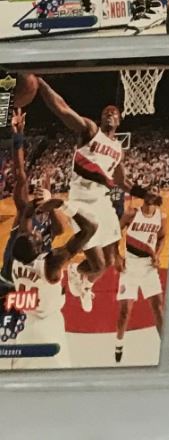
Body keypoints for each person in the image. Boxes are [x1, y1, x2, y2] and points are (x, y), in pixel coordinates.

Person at [2, 106, 96, 368]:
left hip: (24, 282)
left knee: (18, 343)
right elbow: (21, 175)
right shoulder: (25, 220)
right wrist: (18, 138)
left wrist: (50, 201)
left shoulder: (33, 229)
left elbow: (61, 230)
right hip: (13, 280)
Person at [33, 77, 128, 309]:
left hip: (102, 202)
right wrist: (41, 83)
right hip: (82, 202)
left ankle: (83, 279)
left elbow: (122, 181)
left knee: (109, 261)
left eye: (114, 112)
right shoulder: (90, 130)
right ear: (101, 118)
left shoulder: (118, 150)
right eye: (106, 112)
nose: (109, 114)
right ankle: (76, 271)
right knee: (98, 264)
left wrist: (141, 193)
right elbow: (62, 108)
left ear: (119, 120)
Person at [114, 188, 166, 363]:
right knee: (124, 311)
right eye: (149, 191)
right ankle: (119, 344)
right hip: (130, 266)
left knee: (158, 308)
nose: (152, 194)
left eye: (155, 191)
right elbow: (115, 233)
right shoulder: (131, 213)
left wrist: (157, 255)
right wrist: (117, 255)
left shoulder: (161, 216)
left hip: (148, 267)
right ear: (144, 195)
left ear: (158, 195)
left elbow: (162, 237)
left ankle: (166, 345)